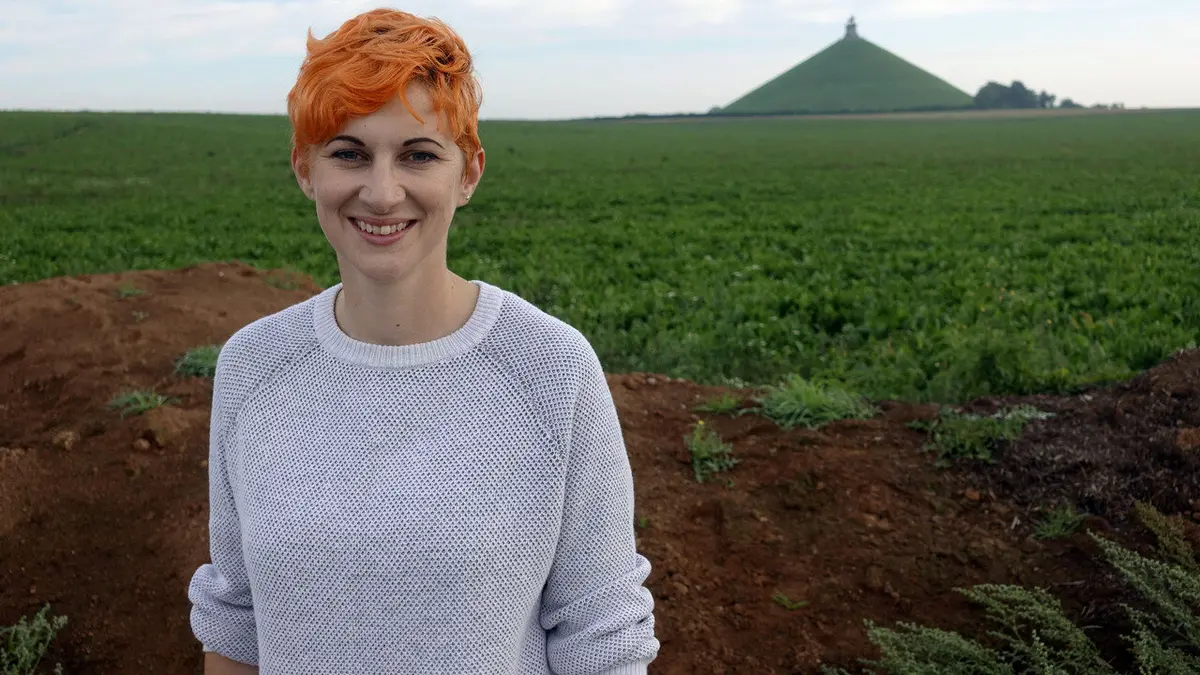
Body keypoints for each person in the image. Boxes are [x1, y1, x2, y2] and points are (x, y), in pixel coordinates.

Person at [186, 8, 660, 675]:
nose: (383, 193)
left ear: (468, 174)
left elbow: (602, 638)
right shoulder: (252, 367)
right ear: (305, 169)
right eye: (349, 153)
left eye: (418, 155)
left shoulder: (552, 370)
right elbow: (236, 620)